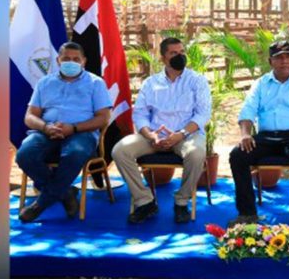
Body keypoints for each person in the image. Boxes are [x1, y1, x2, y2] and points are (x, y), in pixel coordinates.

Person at [112, 37, 211, 224]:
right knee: (120, 150)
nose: (179, 56)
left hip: (186, 135)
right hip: (154, 136)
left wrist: (180, 135)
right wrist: (151, 135)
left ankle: (181, 202)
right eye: (174, 53)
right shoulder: (151, 83)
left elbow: (203, 114)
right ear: (163, 58)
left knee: (197, 153)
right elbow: (140, 114)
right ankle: (145, 201)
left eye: (182, 52)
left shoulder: (197, 81)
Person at [16, 41, 112, 222]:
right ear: (58, 60)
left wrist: (73, 128)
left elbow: (103, 118)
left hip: (81, 133)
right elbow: (30, 116)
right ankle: (66, 193)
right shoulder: (45, 83)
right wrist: (46, 127)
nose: (71, 62)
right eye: (66, 58)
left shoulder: (96, 83)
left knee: (74, 153)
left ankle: (40, 204)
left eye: (76, 59)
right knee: (25, 154)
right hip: (47, 131)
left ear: (84, 61)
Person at [228, 41, 289, 228]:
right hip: (265, 138)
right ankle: (247, 213)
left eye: (288, 56)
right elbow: (247, 112)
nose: (284, 61)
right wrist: (245, 134)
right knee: (237, 155)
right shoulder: (261, 84)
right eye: (279, 58)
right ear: (271, 62)